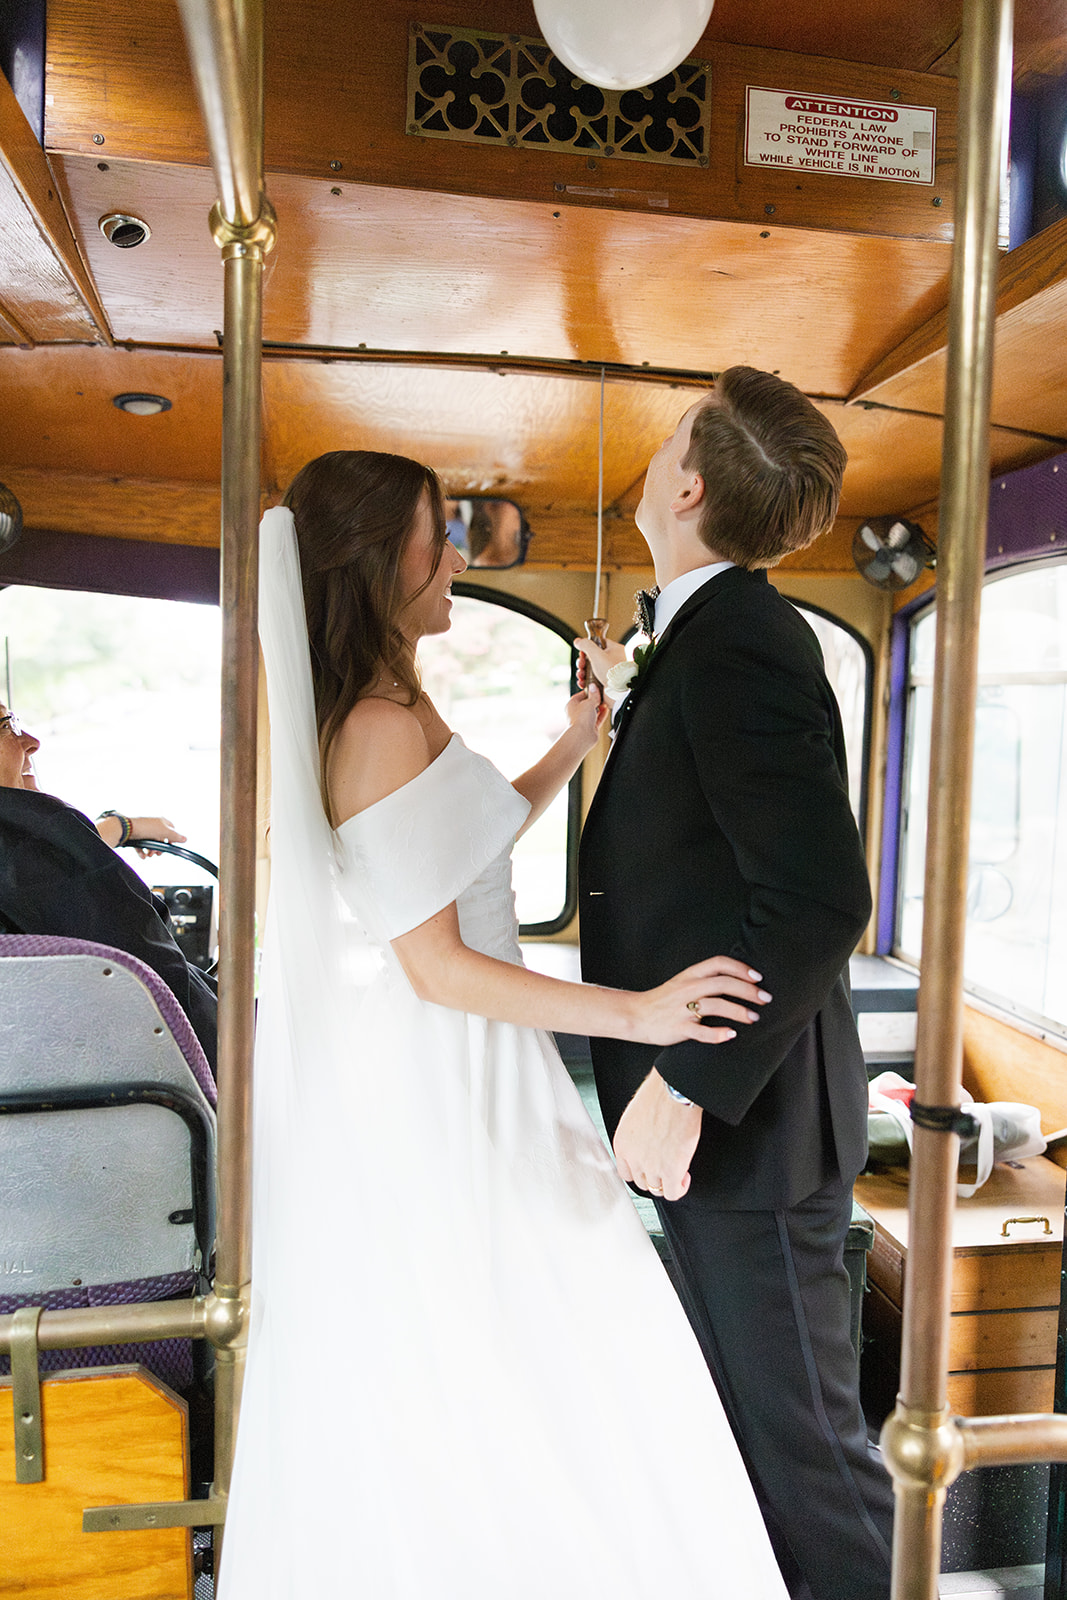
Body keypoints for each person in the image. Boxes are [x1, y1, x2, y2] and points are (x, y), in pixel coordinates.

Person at [218, 449, 789, 1599]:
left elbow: (463, 850)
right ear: (386, 560)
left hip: (486, 1063)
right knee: (509, 1350)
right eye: (444, 537)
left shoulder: (401, 701)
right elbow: (436, 967)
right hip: (446, 1074)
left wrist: (576, 741)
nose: (459, 558)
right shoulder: (374, 725)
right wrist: (636, 1008)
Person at [575, 367, 895, 1600]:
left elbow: (817, 897)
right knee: (752, 1451)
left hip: (747, 1129)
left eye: (664, 439)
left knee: (806, 1456)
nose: (654, 454)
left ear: (689, 483)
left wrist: (690, 1085)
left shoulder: (741, 645)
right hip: (725, 1132)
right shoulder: (707, 634)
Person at [0, 704, 218, 1072]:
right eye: (6, 727)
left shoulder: (35, 846)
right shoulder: (40, 840)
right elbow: (165, 989)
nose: (31, 742)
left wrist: (116, 828)